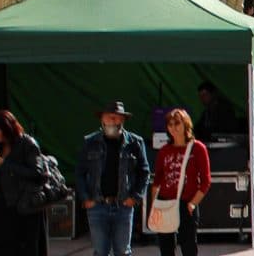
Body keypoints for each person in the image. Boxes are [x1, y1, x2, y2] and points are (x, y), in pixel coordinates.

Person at [74, 101, 150, 256]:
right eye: (109, 117)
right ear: (102, 119)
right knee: (100, 251)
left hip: (123, 205)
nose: (113, 121)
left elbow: (144, 172)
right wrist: (85, 198)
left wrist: (135, 197)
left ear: (123, 120)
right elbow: (80, 173)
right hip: (97, 205)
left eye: (116, 118)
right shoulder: (90, 142)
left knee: (123, 251)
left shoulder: (135, 142)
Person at [0, 110, 46, 256]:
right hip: (3, 208)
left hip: (25, 207)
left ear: (6, 128)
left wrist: (5, 164)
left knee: (26, 248)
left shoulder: (27, 143)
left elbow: (37, 172)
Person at [151, 110, 211, 256]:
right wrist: (155, 205)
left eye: (177, 123)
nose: (173, 128)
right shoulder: (164, 150)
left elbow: (206, 180)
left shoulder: (198, 148)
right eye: (170, 124)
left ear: (186, 125)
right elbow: (157, 180)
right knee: (166, 248)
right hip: (165, 202)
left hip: (187, 203)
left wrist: (193, 203)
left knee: (189, 247)